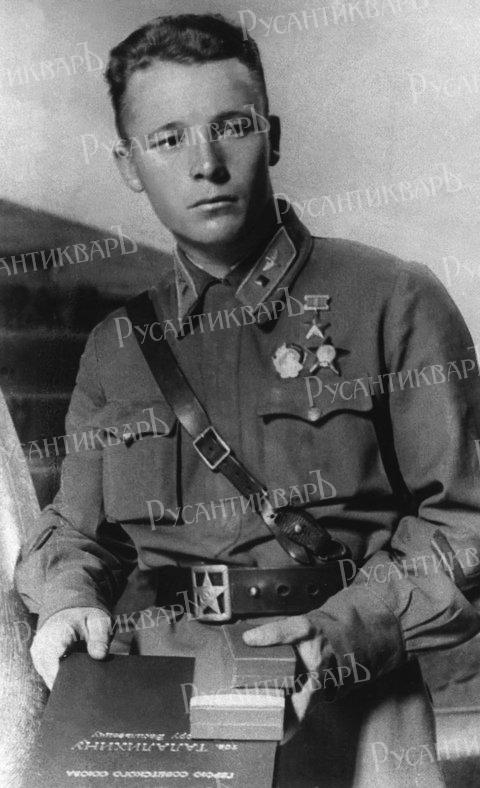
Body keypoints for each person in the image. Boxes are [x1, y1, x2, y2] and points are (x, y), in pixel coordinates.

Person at [15, 13, 480, 787]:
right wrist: (66, 601)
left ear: (272, 135)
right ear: (129, 166)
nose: (205, 164)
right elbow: (77, 530)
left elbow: (465, 526)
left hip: (354, 704)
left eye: (230, 126)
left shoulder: (391, 299)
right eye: (168, 139)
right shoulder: (118, 347)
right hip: (166, 705)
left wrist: (342, 632)